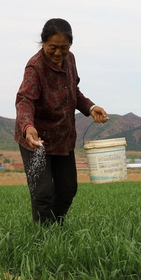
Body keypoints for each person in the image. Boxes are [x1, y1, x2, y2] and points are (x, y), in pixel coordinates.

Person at [15, 18, 109, 225]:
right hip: (36, 140)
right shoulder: (35, 67)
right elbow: (25, 100)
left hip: (63, 138)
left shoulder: (71, 60)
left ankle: (55, 227)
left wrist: (91, 108)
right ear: (43, 44)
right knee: (43, 192)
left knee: (68, 189)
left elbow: (73, 91)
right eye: (53, 47)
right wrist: (28, 127)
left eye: (64, 48)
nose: (58, 53)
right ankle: (44, 236)